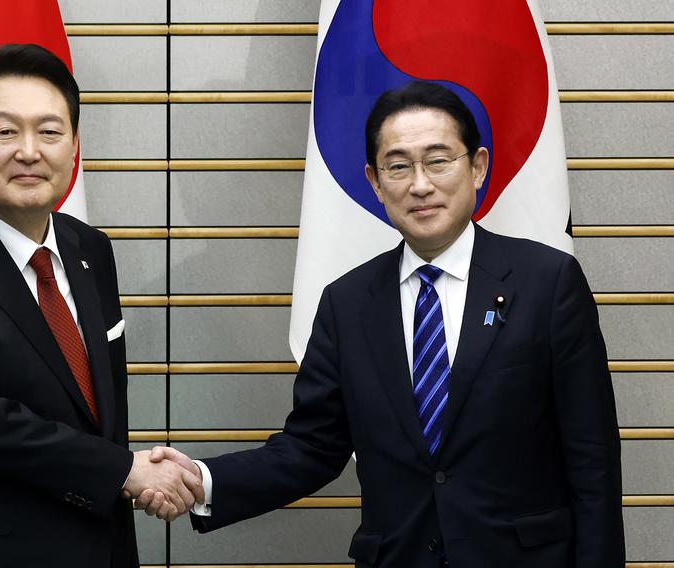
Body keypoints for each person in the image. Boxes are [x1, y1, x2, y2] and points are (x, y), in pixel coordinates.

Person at [143, 81, 625, 567]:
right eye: (399, 166)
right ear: (375, 182)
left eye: (438, 160)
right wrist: (200, 481)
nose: (420, 184)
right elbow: (312, 447)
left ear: (477, 166)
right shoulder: (347, 304)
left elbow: (593, 462)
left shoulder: (547, 283)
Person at [0, 44, 201, 568]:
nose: (29, 151)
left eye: (49, 132)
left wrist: (125, 473)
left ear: (74, 146)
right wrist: (125, 472)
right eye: (4, 132)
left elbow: (94, 412)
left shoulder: (90, 249)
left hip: (94, 545)